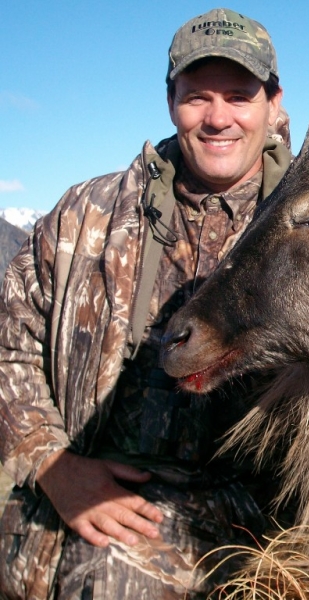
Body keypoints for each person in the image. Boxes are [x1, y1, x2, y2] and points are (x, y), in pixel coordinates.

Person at [0, 8, 293, 599]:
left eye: (239, 96)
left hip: (256, 519)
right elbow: (8, 347)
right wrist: (54, 467)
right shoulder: (84, 218)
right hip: (74, 500)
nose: (217, 119)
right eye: (197, 97)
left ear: (274, 103)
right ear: (170, 101)